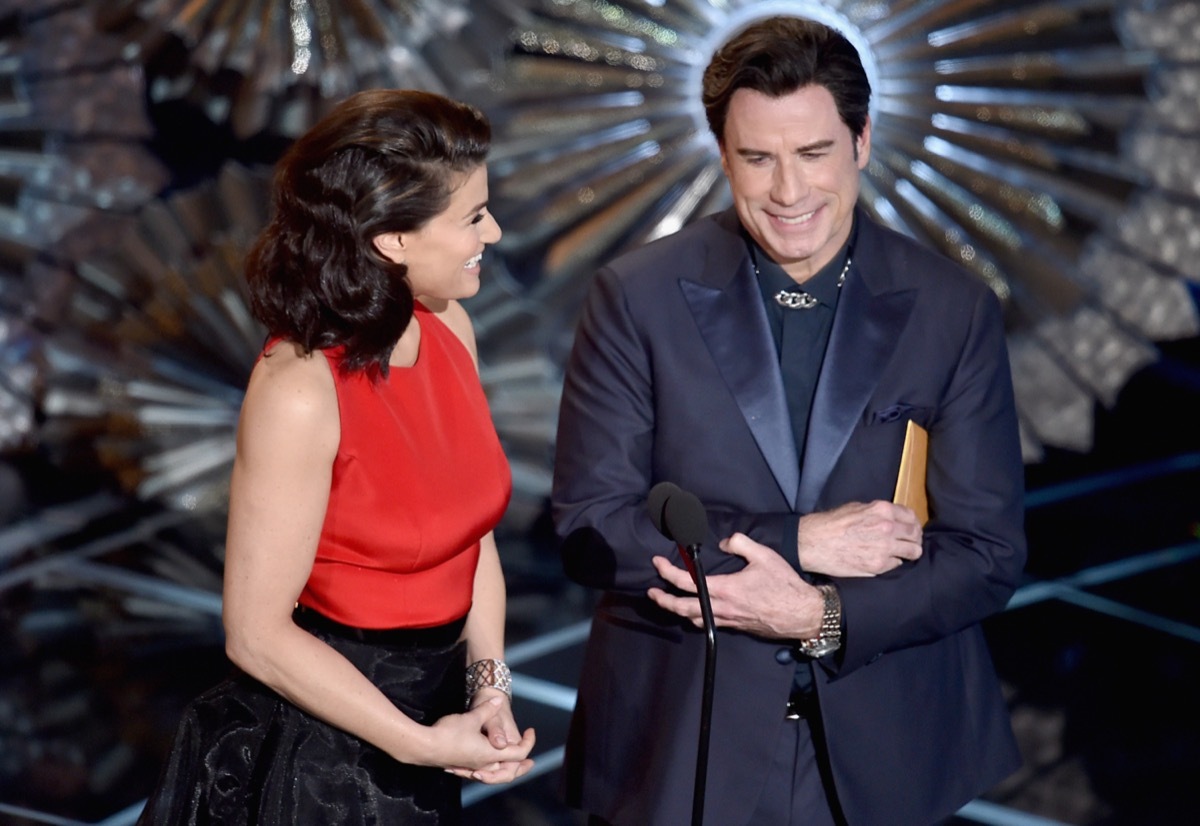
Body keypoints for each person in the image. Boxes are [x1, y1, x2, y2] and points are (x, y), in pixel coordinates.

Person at [552, 16, 1025, 826]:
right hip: (681, 741)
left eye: (813, 155)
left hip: (887, 745)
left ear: (862, 142)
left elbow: (987, 553)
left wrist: (824, 616)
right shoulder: (636, 296)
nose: (789, 192)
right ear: (723, 154)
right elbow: (592, 528)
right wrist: (799, 541)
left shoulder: (952, 308)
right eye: (757, 159)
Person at [138, 88, 535, 825]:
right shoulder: (298, 389)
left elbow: (471, 539)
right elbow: (256, 635)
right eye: (472, 216)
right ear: (392, 241)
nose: (496, 231)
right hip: (323, 751)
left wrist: (489, 684)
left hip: (434, 717)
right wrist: (416, 743)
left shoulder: (452, 328)